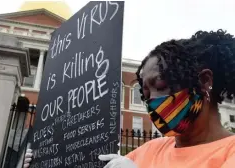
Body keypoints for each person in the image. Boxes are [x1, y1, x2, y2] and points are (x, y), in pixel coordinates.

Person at [24, 30, 235, 168]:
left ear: (205, 81)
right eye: (144, 93)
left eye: (160, 85)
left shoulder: (229, 152)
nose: (152, 101)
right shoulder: (150, 150)